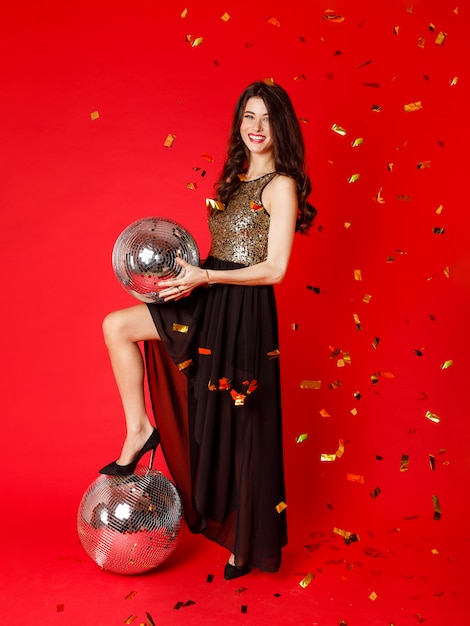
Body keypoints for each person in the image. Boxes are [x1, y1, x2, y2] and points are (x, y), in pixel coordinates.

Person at [99, 80, 316, 580]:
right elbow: (217, 252)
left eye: (265, 118)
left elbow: (276, 269)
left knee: (242, 424)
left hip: (245, 309)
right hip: (207, 296)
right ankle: (140, 428)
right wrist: (178, 280)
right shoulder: (236, 178)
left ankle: (246, 541)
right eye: (248, 117)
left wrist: (206, 276)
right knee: (117, 326)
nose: (255, 128)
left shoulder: (280, 185)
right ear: (239, 125)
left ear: (279, 125)